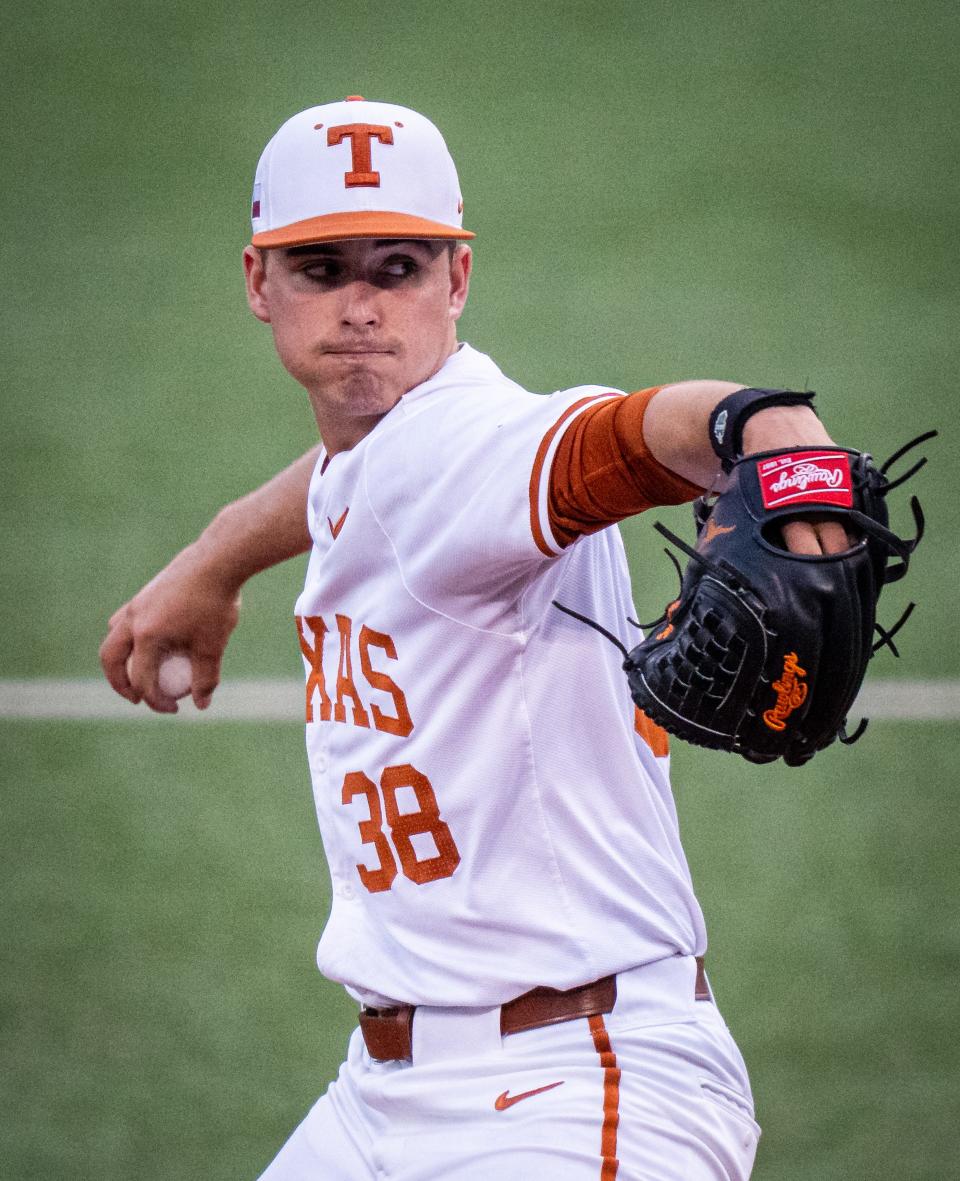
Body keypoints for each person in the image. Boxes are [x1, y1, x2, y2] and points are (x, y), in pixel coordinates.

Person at [101, 97, 848, 1180]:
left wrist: (767, 428)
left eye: (396, 267)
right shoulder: (396, 451)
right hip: (387, 1095)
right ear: (259, 283)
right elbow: (351, 479)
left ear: (456, 280)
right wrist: (215, 559)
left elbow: (629, 438)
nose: (360, 304)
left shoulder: (471, 447)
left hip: (573, 1095)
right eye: (322, 268)